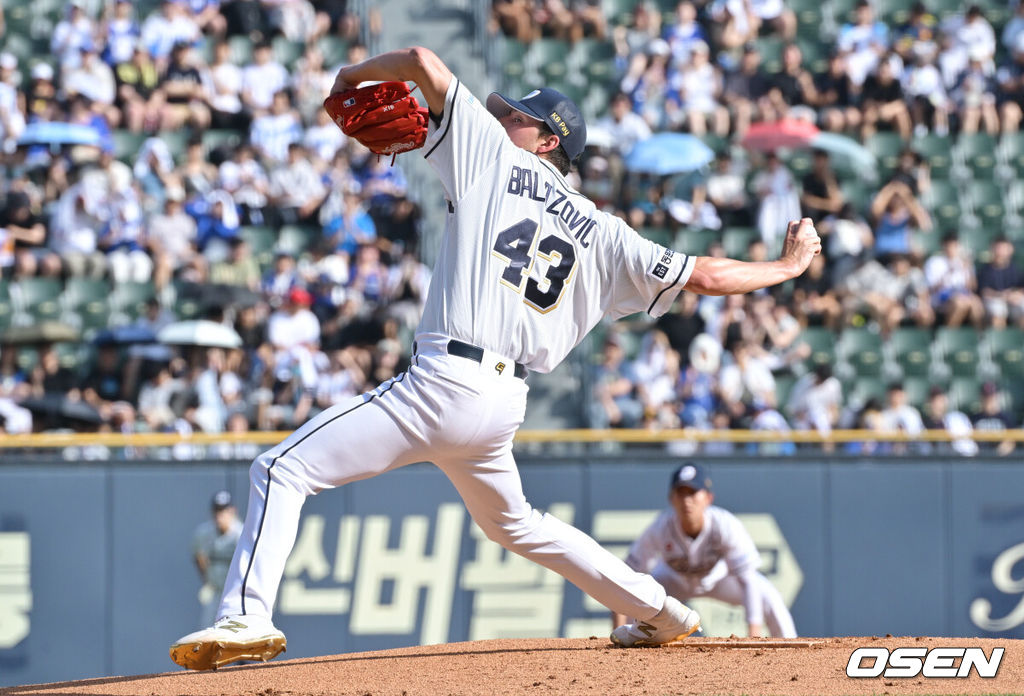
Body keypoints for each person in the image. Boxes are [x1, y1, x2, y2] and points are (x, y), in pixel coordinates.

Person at [169, 45, 822, 670]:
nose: (501, 116)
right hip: (502, 402)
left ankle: (246, 616)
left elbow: (423, 64)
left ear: (547, 142)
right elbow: (704, 274)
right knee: (521, 526)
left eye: (518, 116)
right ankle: (660, 610)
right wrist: (788, 265)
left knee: (279, 468)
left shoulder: (489, 153)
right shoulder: (605, 232)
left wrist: (350, 74)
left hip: (444, 381)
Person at [612, 463, 796, 638]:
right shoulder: (660, 527)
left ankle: (791, 654)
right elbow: (626, 578)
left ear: (708, 498)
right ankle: (622, 645)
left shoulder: (724, 524)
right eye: (681, 493)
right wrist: (617, 627)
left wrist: (754, 634)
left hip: (718, 579)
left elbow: (748, 579)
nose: (687, 500)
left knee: (768, 594)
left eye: (692, 492)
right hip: (672, 581)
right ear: (672, 499)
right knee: (637, 594)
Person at [192, 490, 243, 629]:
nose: (220, 516)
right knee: (207, 634)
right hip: (215, 591)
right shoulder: (204, 533)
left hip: (235, 594)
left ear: (233, 511)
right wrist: (207, 581)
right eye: (217, 511)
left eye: (224, 511)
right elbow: (198, 556)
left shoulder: (241, 535)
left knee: (234, 635)